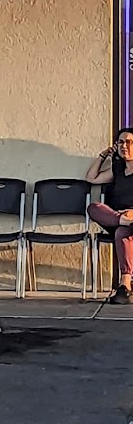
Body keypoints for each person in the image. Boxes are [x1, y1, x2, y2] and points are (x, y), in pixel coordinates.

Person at [86, 130, 133, 303]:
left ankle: (125, 285)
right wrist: (103, 155)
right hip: (116, 217)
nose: (124, 146)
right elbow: (92, 178)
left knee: (122, 232)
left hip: (130, 219)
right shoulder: (118, 169)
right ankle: (123, 221)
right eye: (121, 142)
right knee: (94, 207)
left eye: (129, 142)